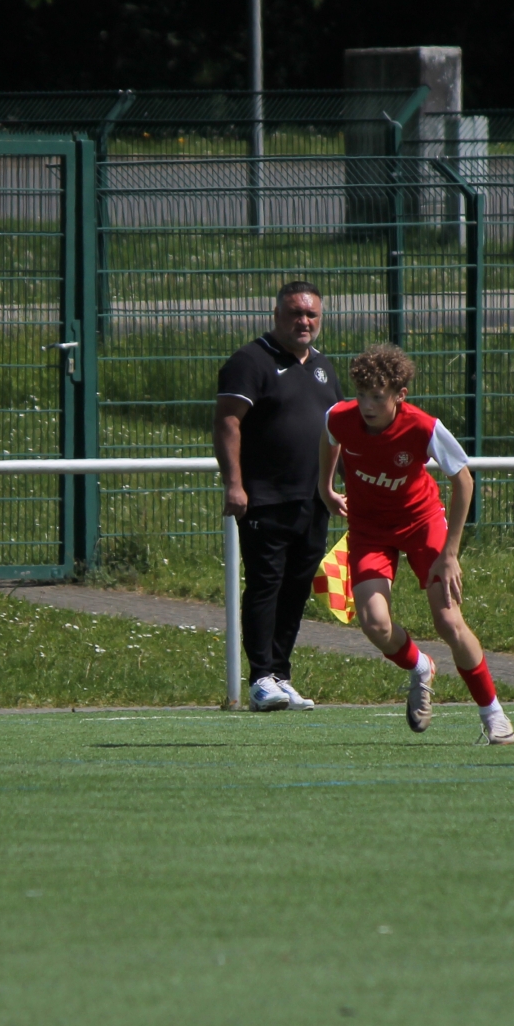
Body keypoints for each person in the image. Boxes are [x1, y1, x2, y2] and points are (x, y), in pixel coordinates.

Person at [318, 343, 514, 744]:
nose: (367, 405)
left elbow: (464, 480)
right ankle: (420, 667)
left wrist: (450, 554)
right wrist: (325, 487)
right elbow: (329, 438)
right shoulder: (339, 416)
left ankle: (493, 713)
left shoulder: (423, 426)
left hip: (421, 524)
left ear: (400, 395)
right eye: (362, 394)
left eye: (378, 396)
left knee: (448, 621)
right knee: (374, 624)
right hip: (369, 530)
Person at [215, 281, 343, 712]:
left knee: (297, 588)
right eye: (295, 314)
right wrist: (234, 484)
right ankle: (259, 679)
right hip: (266, 498)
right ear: (276, 316)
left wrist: (341, 486)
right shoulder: (250, 361)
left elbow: (337, 432)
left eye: (311, 315)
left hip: (313, 499)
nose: (303, 322)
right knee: (266, 584)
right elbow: (227, 422)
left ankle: (280, 675)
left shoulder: (323, 367)